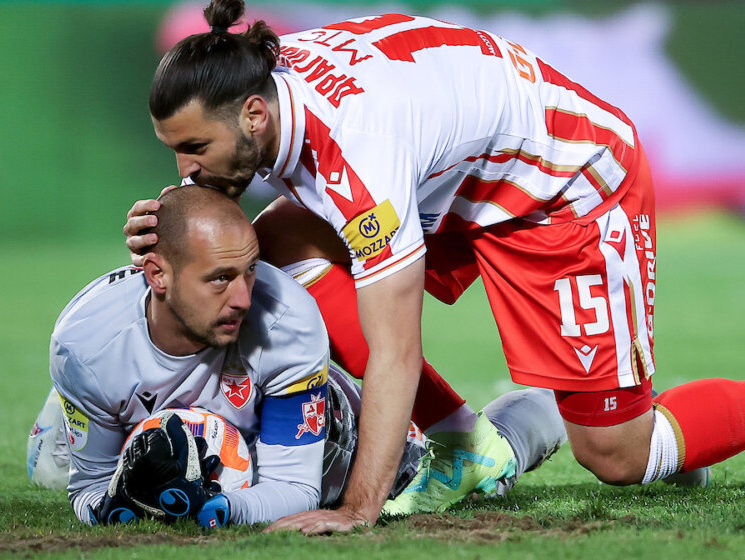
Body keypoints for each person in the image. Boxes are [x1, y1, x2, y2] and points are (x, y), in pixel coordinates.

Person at [127, 1, 745, 533]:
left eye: (193, 149)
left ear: (254, 115)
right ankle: (467, 446)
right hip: (467, 178)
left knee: (617, 454)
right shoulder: (262, 72)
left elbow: (394, 347)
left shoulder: (357, 156)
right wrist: (174, 224)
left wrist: (359, 506)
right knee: (264, 259)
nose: (186, 167)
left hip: (566, 188)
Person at [44, 185, 567, 527]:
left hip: (331, 439)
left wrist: (219, 510)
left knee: (476, 467)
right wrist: (112, 506)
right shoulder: (85, 346)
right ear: (157, 275)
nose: (245, 297)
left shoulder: (284, 319)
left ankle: (549, 411)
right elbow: (89, 491)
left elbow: (295, 487)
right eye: (221, 279)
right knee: (49, 458)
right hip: (157, 411)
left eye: (250, 270)